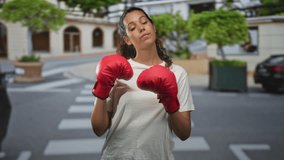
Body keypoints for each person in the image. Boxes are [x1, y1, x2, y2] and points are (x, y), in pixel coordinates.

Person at [91, 7, 195, 160]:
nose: (141, 28)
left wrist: (170, 100)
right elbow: (98, 129)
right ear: (127, 39)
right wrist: (102, 88)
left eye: (144, 22)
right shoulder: (116, 70)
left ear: (153, 27)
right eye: (132, 27)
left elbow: (184, 133)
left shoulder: (177, 73)